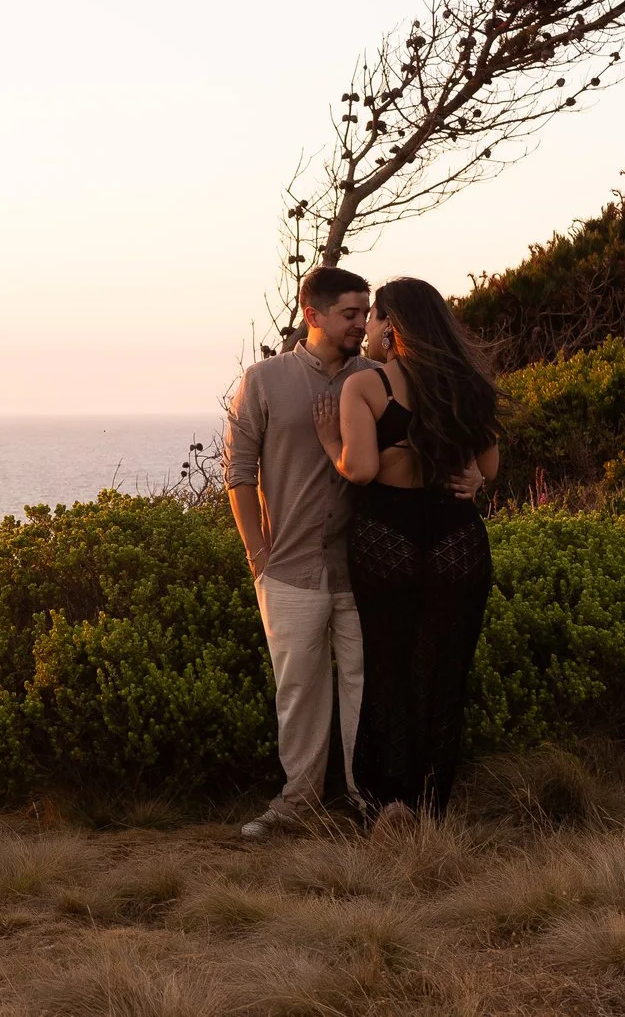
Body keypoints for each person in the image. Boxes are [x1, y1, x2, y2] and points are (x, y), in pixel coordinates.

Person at [224, 267, 482, 840]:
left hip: (368, 563)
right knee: (298, 691)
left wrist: (474, 478)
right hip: (288, 566)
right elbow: (239, 475)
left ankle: (371, 803)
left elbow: (438, 442)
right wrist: (256, 554)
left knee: (371, 686)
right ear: (312, 315)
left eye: (366, 313)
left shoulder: (381, 377)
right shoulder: (263, 382)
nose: (361, 323)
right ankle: (299, 804)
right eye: (349, 313)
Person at [332, 276, 502, 822]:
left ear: (394, 325)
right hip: (457, 538)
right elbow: (488, 471)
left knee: (389, 668)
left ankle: (390, 807)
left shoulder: (367, 386)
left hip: (388, 536)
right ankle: (432, 808)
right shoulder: (471, 384)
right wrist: (471, 477)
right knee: (444, 675)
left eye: (378, 317)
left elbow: (360, 470)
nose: (372, 327)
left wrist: (328, 444)